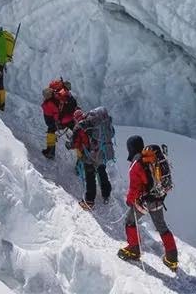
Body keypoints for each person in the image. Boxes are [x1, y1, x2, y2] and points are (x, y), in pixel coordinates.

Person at [118, 135, 178, 271]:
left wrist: (129, 201)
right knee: (162, 227)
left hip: (145, 200)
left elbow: (134, 188)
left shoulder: (136, 164)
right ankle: (172, 258)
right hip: (158, 197)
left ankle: (134, 250)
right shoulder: (150, 158)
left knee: (129, 221)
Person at [66, 107, 114, 210]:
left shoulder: (79, 128)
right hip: (101, 151)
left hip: (89, 155)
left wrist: (68, 144)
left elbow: (75, 144)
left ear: (75, 119)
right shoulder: (95, 123)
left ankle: (89, 201)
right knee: (102, 171)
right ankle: (106, 194)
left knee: (90, 176)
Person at [40, 79, 79, 159]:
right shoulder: (66, 94)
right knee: (78, 135)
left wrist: (56, 122)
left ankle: (50, 152)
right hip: (71, 118)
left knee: (51, 130)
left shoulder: (51, 102)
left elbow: (54, 115)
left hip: (61, 120)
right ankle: (82, 156)